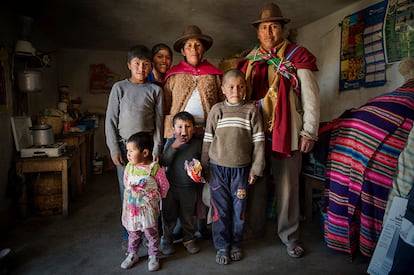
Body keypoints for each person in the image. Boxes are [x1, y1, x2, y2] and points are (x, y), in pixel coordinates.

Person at [237, 3, 320, 258]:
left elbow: (311, 97)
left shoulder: (296, 56)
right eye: (264, 27)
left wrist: (309, 131)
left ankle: (290, 236)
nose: (269, 31)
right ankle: (254, 229)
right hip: (255, 135)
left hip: (287, 133)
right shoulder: (249, 61)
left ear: (282, 29)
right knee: (256, 184)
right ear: (257, 32)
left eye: (274, 26)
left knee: (288, 187)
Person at [163, 25, 224, 238]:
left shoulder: (214, 74)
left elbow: (219, 103)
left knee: (202, 177)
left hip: (205, 134)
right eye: (189, 45)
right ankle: (179, 225)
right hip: (179, 134)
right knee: (180, 180)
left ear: (203, 49)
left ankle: (199, 225)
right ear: (183, 50)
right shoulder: (174, 76)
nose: (194, 49)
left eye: (198, 45)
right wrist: (172, 133)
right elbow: (167, 106)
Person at [201, 69, 265, 265]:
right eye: (231, 86)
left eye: (240, 86)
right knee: (220, 209)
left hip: (241, 170)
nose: (235, 90)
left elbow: (259, 141)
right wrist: (204, 166)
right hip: (217, 169)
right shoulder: (217, 110)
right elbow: (208, 139)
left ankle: (236, 243)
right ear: (223, 90)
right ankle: (222, 246)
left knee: (239, 209)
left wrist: (256, 168)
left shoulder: (251, 110)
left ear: (245, 88)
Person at [105, 45, 164, 249]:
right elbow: (110, 121)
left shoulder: (155, 90)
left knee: (149, 194)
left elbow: (158, 123)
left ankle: (153, 238)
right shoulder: (119, 88)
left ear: (151, 66)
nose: (141, 68)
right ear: (129, 65)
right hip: (125, 150)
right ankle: (129, 238)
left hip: (147, 151)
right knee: (128, 194)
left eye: (146, 64)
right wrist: (114, 149)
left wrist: (157, 148)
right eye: (137, 63)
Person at [119, 132, 169, 271]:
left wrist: (159, 200)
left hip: (148, 209)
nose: (127, 154)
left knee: (151, 232)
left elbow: (164, 185)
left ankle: (153, 255)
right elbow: (126, 183)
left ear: (145, 152)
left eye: (131, 151)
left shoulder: (154, 168)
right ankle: (132, 254)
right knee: (133, 233)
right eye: (127, 151)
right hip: (132, 208)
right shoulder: (129, 167)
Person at [160, 111, 203, 255]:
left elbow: (203, 163)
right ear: (173, 129)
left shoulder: (198, 144)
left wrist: (197, 167)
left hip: (189, 188)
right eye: (179, 127)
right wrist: (174, 147)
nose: (183, 131)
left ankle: (189, 239)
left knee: (188, 216)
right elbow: (164, 161)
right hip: (170, 188)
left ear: (194, 129)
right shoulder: (170, 142)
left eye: (188, 127)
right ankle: (167, 240)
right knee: (169, 215)